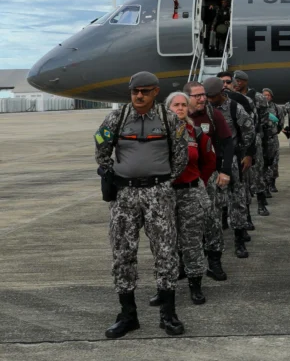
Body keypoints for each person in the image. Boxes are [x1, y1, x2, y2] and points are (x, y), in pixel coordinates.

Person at [95, 71, 188, 338]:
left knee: (166, 253)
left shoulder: (170, 120)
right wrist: (113, 174)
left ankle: (168, 315)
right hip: (125, 195)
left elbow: (180, 157)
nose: (139, 96)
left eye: (145, 91)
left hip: (159, 194)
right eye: (135, 90)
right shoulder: (117, 118)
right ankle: (128, 316)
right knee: (123, 253)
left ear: (155, 92)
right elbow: (101, 148)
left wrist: (163, 181)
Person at [149, 92, 217, 307]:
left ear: (189, 109)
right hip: (164, 194)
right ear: (167, 108)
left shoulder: (196, 133)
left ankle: (195, 285)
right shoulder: (155, 132)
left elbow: (209, 162)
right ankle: (164, 286)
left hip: (190, 192)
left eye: (183, 105)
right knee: (163, 244)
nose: (180, 108)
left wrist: (197, 183)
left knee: (192, 241)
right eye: (175, 105)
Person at [183, 81, 232, 281]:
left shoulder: (214, 115)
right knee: (185, 223)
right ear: (187, 98)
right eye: (197, 96)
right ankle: (183, 262)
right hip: (185, 179)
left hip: (209, 176)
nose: (202, 98)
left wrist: (225, 171)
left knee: (213, 220)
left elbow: (228, 143)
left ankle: (214, 261)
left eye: (203, 95)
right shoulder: (176, 116)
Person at [205, 76, 255, 258]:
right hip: (210, 160)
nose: (209, 100)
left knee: (237, 200)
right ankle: (211, 242)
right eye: (207, 96)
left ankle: (239, 239)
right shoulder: (204, 109)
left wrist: (246, 154)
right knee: (212, 202)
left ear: (222, 92)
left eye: (212, 96)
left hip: (233, 158)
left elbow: (249, 130)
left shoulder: (235, 107)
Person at [232, 70, 270, 217]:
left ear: (246, 81)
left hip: (255, 137)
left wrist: (259, 136)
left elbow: (264, 119)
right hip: (238, 140)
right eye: (236, 80)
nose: (237, 83)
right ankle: (246, 211)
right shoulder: (231, 97)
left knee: (257, 170)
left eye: (240, 80)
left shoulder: (258, 97)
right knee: (243, 176)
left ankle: (261, 203)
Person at [261, 88, 284, 194]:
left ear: (271, 96)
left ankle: (272, 183)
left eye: (268, 95)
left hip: (273, 138)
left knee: (274, 162)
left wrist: (273, 132)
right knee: (263, 163)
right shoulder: (260, 108)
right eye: (264, 95)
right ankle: (264, 186)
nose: (266, 97)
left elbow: (281, 124)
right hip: (262, 139)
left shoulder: (277, 108)